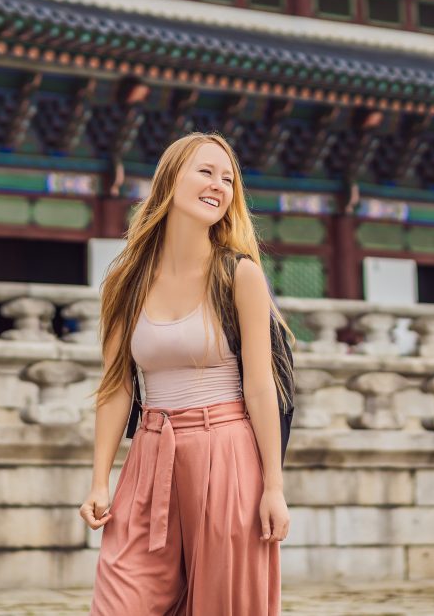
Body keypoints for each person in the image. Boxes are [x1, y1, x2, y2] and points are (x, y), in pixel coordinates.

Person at [80, 131, 293, 615]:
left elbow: (260, 387)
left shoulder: (240, 275)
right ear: (171, 179)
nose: (220, 185)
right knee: (119, 601)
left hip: (227, 451)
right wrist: (99, 480)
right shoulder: (126, 280)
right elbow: (116, 386)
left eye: (229, 178)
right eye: (206, 171)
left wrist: (274, 488)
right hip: (150, 453)